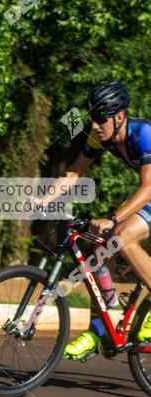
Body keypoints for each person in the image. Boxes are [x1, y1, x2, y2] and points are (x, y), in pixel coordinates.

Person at [55, 82, 151, 360]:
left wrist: (113, 218)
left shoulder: (143, 133)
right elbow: (74, 172)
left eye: (100, 119)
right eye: (91, 117)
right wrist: (41, 200)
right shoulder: (100, 137)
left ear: (118, 116)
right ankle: (101, 327)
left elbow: (147, 189)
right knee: (100, 246)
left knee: (121, 235)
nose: (94, 125)